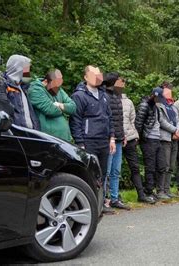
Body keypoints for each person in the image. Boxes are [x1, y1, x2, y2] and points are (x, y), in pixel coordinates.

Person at [70, 65, 116, 213]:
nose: (97, 76)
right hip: (88, 141)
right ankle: (88, 206)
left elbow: (109, 118)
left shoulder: (103, 95)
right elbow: (75, 121)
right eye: (93, 74)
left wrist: (112, 138)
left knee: (102, 174)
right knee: (89, 174)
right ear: (85, 77)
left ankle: (100, 205)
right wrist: (80, 143)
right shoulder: (79, 96)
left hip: (104, 140)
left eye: (98, 74)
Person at [120, 78, 155, 204]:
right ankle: (113, 197)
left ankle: (141, 194)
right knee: (113, 170)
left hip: (130, 139)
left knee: (135, 168)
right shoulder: (108, 99)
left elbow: (133, 120)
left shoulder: (128, 102)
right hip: (116, 139)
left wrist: (135, 135)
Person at [102, 72, 130, 210]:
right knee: (106, 171)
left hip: (118, 138)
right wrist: (110, 137)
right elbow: (107, 119)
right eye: (120, 81)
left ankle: (114, 198)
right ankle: (103, 200)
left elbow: (119, 119)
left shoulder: (117, 96)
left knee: (116, 171)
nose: (122, 84)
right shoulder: (104, 95)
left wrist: (123, 134)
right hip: (108, 139)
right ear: (113, 82)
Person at [28, 69, 76, 142]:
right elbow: (51, 110)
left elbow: (73, 107)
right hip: (48, 139)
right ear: (46, 81)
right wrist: (64, 109)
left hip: (64, 139)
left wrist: (59, 105)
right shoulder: (35, 90)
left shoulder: (57, 88)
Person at [135, 87, 163, 200]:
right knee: (150, 167)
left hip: (157, 139)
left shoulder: (155, 107)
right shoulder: (144, 105)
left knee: (160, 165)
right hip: (148, 139)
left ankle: (153, 189)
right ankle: (149, 191)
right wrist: (140, 138)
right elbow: (138, 123)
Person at [155, 85, 179, 199]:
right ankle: (160, 190)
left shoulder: (173, 107)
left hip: (175, 138)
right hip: (165, 138)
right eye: (167, 93)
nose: (169, 94)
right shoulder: (159, 105)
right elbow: (161, 121)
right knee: (164, 165)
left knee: (171, 166)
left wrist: (178, 131)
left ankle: (167, 189)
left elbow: (178, 120)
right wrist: (175, 130)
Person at [4, 55, 40, 129]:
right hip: (16, 135)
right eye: (26, 69)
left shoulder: (23, 88)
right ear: (18, 69)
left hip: (29, 134)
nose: (28, 73)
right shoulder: (4, 86)